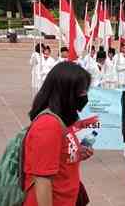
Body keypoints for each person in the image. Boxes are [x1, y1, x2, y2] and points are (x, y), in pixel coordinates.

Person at [23, 62, 99, 206]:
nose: (84, 96)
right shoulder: (48, 125)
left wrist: (77, 153)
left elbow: (59, 155)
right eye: (82, 91)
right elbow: (42, 180)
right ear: (66, 92)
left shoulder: (62, 119)